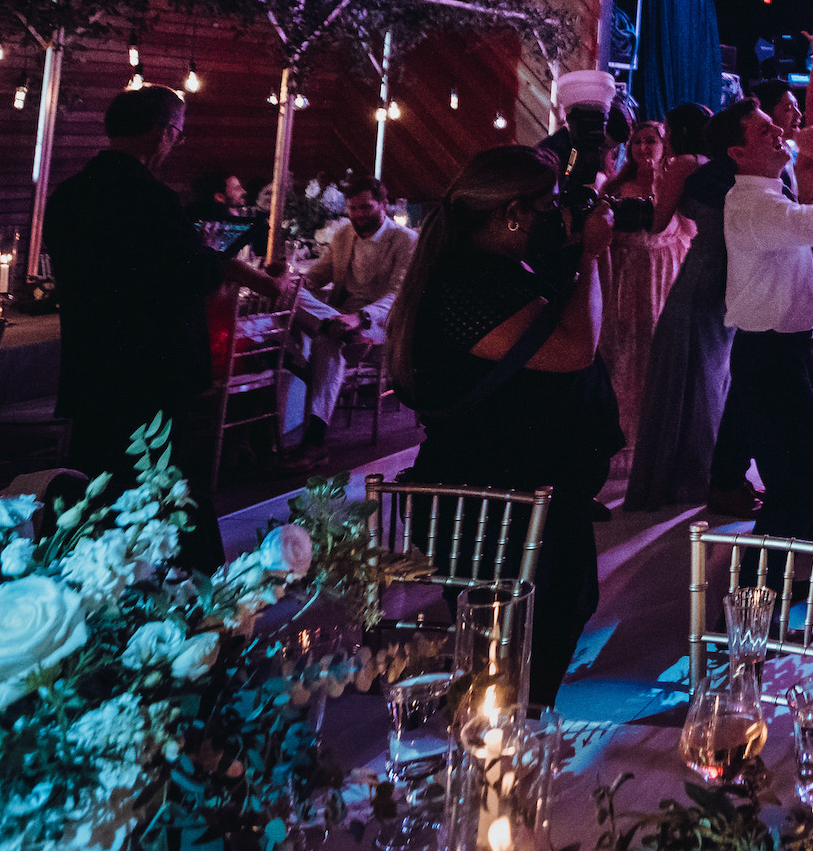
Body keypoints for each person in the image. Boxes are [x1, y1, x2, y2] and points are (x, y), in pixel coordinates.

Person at [385, 146, 616, 705]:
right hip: (494, 502)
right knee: (506, 652)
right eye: (548, 204)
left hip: (511, 489)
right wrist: (588, 256)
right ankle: (496, 764)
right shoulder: (469, 282)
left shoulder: (493, 270)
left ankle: (504, 752)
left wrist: (579, 254)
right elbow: (573, 348)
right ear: (513, 212)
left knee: (529, 635)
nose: (557, 213)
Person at [45, 86, 295, 572]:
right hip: (149, 370)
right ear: (163, 132)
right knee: (161, 485)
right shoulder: (150, 197)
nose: (175, 145)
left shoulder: (68, 195)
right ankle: (174, 592)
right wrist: (239, 273)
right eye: (176, 135)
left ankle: (90, 583)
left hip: (91, 365)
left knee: (93, 484)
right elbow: (191, 273)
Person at [708, 95, 813, 538]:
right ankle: (754, 601)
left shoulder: (768, 194)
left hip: (779, 350)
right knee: (794, 486)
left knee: (797, 482)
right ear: (737, 152)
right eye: (764, 129)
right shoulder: (755, 205)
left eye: (775, 125)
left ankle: (769, 594)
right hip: (770, 357)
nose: (778, 132)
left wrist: (812, 306)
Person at [627, 101, 761, 513]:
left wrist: (647, 188)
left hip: (702, 271)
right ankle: (707, 473)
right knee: (712, 374)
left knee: (687, 374)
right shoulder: (715, 164)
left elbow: (657, 221)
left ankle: (680, 477)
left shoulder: (684, 163)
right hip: (729, 269)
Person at [286, 176, 417, 460]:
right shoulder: (343, 235)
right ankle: (343, 335)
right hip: (342, 321)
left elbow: (399, 296)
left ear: (384, 204)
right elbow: (315, 278)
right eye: (353, 208)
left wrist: (361, 318)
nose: (358, 215)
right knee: (288, 297)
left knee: (325, 341)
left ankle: (315, 439)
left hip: (381, 325)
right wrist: (289, 282)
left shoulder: (405, 240)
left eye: (366, 207)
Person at [600, 118, 696, 451]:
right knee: (624, 355)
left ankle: (657, 444)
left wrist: (660, 185)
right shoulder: (614, 187)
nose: (643, 147)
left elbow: (692, 233)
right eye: (638, 141)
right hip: (625, 279)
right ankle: (623, 442)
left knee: (657, 357)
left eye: (650, 141)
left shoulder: (679, 185)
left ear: (663, 145)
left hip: (665, 278)